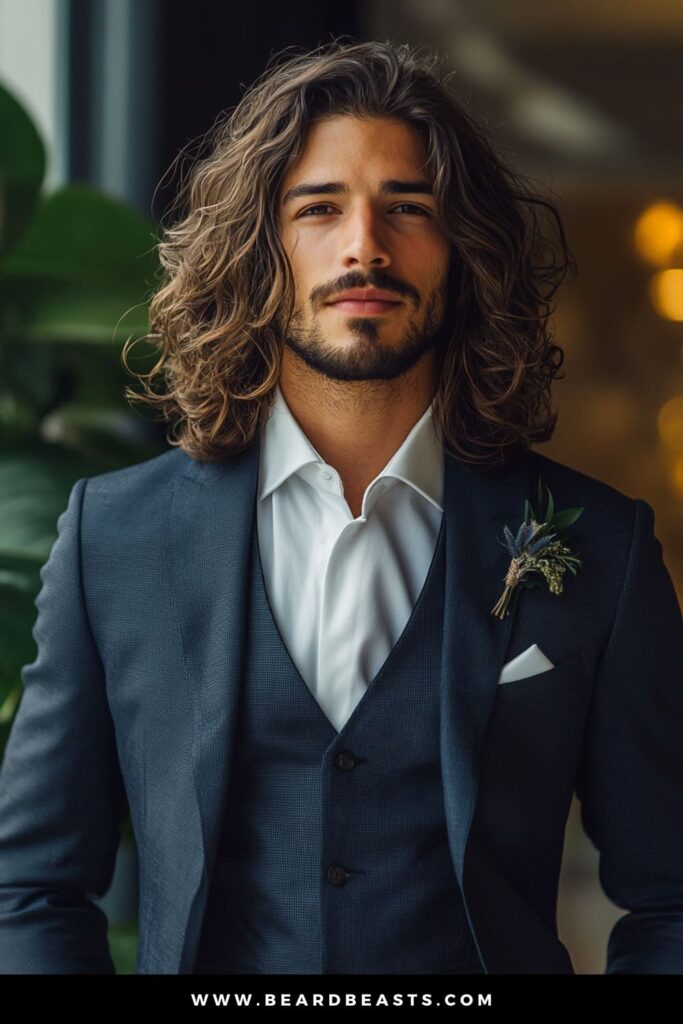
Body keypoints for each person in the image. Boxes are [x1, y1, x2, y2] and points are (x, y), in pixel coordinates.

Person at [1, 38, 682, 977]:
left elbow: (670, 895)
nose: (364, 245)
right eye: (318, 209)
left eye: (409, 208)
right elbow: (31, 887)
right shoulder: (112, 539)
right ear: (259, 248)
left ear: (463, 251)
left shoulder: (600, 547)